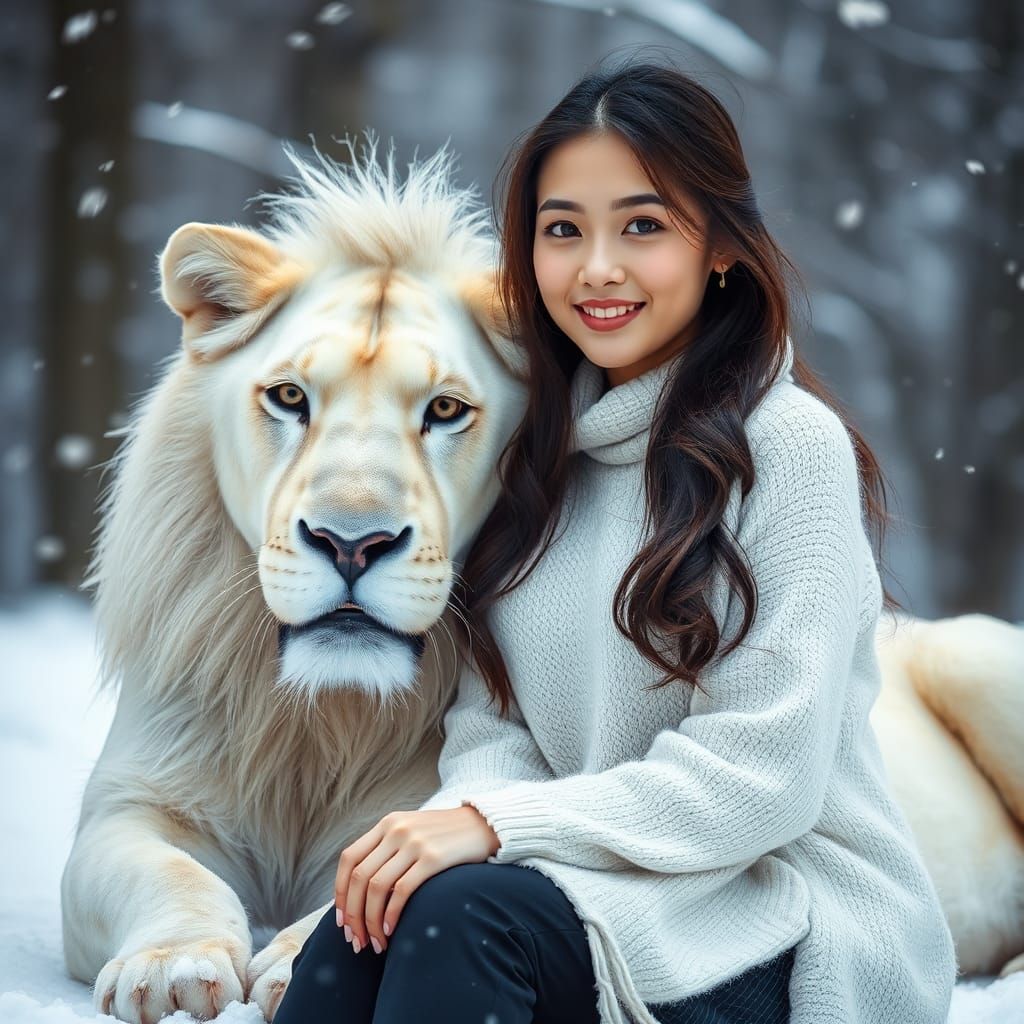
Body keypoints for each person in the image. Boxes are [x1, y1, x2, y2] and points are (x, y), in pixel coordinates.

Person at [274, 57, 958, 1024]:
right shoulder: (534, 461)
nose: (597, 268)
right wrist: (463, 819)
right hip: (589, 888)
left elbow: (763, 781)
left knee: (457, 918)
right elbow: (492, 736)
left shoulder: (789, 448)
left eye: (642, 225)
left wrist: (492, 826)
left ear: (721, 243)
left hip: (779, 914)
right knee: (360, 930)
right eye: (563, 231)